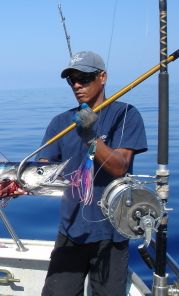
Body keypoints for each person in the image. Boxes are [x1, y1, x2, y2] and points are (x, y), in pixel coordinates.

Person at [39, 51, 147, 296]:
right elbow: (43, 168)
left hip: (112, 234)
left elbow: (120, 167)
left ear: (103, 77)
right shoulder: (61, 122)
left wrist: (91, 138)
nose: (77, 85)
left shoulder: (126, 115)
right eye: (72, 80)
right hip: (70, 231)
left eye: (85, 78)